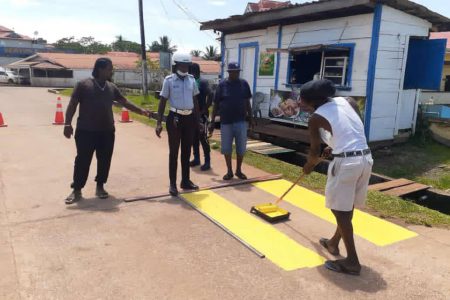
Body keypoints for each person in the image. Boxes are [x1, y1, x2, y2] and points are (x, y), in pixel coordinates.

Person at [300, 79, 373, 276]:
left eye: (303, 101)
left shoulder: (315, 118)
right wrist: (335, 144)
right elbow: (350, 130)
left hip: (346, 164)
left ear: (313, 102)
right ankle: (333, 243)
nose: (300, 103)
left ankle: (352, 262)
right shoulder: (348, 101)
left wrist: (308, 167)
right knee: (346, 208)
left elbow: (314, 152)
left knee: (340, 211)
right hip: (365, 158)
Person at [64, 57, 150, 204]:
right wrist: (67, 124)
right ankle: (77, 189)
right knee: (82, 161)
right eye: (109, 68)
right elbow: (72, 104)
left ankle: (100, 186)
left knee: (104, 160)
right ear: (100, 69)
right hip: (86, 131)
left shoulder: (111, 87)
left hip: (107, 131)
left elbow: (124, 102)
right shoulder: (83, 85)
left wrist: (141, 110)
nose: (112, 71)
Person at [156, 53, 200, 196]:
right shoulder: (169, 80)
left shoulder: (192, 80)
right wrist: (158, 123)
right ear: (176, 65)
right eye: (182, 65)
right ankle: (173, 184)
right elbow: (162, 101)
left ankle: (185, 181)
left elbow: (196, 101)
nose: (185, 68)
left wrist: (198, 120)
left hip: (189, 118)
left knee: (186, 152)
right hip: (175, 118)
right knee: (174, 152)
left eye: (187, 65)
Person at [209, 62, 254, 180]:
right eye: (234, 72)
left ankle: (238, 170)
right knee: (226, 148)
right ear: (229, 72)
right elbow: (216, 104)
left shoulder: (244, 84)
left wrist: (251, 118)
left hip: (241, 121)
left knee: (241, 148)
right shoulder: (222, 85)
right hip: (226, 122)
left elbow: (247, 103)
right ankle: (229, 171)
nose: (236, 73)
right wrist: (212, 121)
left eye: (238, 71)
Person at [189, 63, 213, 171]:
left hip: (202, 115)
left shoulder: (202, 82)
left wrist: (205, 108)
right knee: (194, 137)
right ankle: (196, 158)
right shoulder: (190, 81)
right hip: (191, 114)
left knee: (203, 138)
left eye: (191, 71)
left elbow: (211, 94)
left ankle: (207, 161)